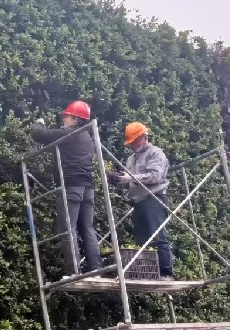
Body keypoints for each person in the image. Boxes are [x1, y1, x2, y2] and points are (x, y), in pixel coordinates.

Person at [31, 100, 104, 276]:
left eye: (66, 116)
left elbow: (38, 134)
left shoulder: (69, 133)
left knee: (67, 228)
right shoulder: (88, 139)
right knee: (87, 227)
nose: (63, 119)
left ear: (75, 119)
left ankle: (74, 271)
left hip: (71, 187)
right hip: (88, 188)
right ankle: (96, 269)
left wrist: (39, 122)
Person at [109, 121, 174, 280]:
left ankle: (166, 273)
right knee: (142, 240)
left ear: (144, 137)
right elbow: (130, 181)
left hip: (154, 198)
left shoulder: (155, 153)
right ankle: (149, 274)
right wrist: (118, 180)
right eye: (130, 142)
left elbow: (155, 176)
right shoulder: (131, 159)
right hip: (138, 201)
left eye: (135, 141)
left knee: (158, 236)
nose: (132, 144)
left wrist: (129, 178)